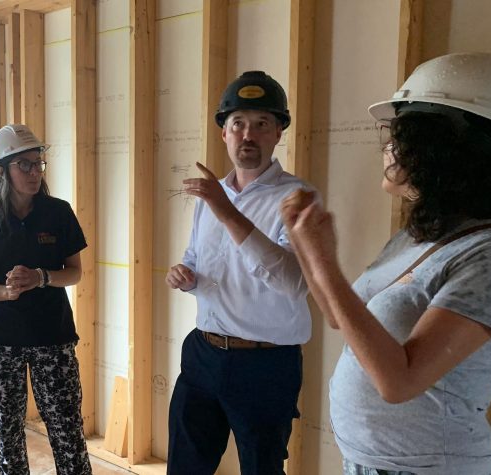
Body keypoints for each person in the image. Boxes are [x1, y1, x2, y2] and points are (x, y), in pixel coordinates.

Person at [281, 52, 491, 475]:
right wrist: (307, 247)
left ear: (438, 152)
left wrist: (324, 261)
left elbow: (400, 383)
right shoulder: (423, 235)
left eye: (401, 137)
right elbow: (343, 319)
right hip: (369, 463)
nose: (389, 149)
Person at [165, 71, 315, 475]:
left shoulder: (297, 198)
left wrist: (225, 208)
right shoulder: (213, 195)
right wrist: (186, 274)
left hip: (265, 366)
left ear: (278, 133)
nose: (248, 134)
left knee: (261, 469)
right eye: (238, 124)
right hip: (202, 354)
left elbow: (293, 282)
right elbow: (196, 256)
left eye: (262, 124)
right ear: (224, 134)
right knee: (184, 466)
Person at [0, 124, 92, 475]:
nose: (35, 173)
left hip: (53, 338)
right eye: (25, 165)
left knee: (66, 430)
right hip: (0, 341)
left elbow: (75, 272)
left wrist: (41, 277)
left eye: (39, 164)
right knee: (9, 431)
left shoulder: (58, 212)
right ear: (1, 171)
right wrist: (5, 293)